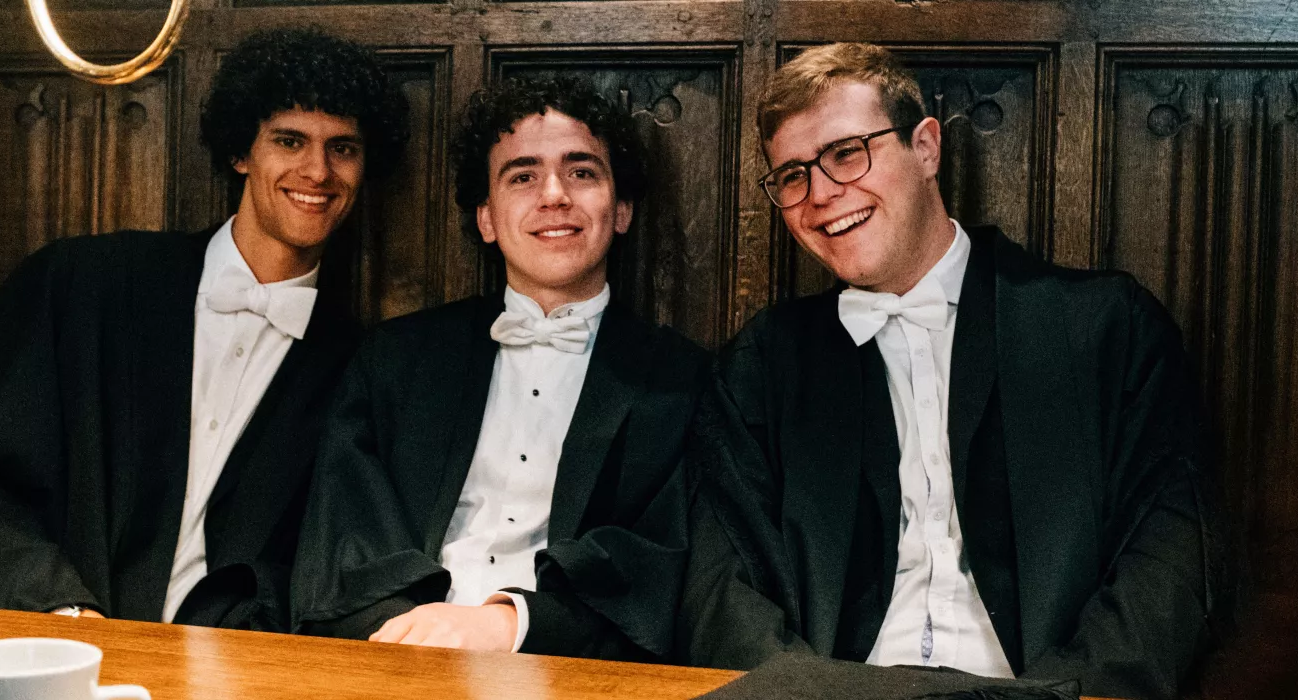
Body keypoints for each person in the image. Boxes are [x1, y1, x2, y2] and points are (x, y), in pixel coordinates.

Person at [676, 43, 1217, 700]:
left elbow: (1168, 561)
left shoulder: (1105, 329)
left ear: (927, 147)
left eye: (848, 153)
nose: (821, 195)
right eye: (793, 175)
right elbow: (720, 584)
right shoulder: (763, 363)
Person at [0, 28, 407, 630]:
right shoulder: (80, 285)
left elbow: (323, 567)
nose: (318, 171)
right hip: (46, 636)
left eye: (344, 148)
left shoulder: (360, 369)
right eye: (289, 140)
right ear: (241, 151)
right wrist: (66, 617)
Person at [291, 76, 709, 661]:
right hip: (396, 658)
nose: (555, 194)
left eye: (582, 171)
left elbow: (654, 562)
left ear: (621, 210)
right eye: (523, 176)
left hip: (569, 670)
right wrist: (410, 638)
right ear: (486, 219)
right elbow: (343, 539)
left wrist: (512, 625)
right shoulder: (393, 361)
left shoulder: (681, 380)